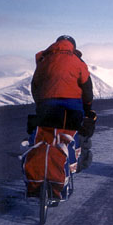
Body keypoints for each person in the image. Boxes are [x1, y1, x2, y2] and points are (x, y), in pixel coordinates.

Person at [31, 35, 94, 170]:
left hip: (47, 105)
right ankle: (72, 164)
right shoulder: (77, 61)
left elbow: (35, 85)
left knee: (45, 134)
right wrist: (88, 108)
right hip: (72, 106)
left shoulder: (44, 60)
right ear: (73, 47)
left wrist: (40, 105)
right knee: (74, 131)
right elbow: (87, 88)